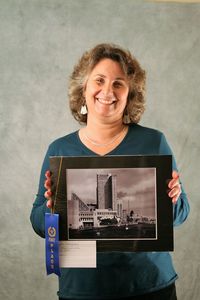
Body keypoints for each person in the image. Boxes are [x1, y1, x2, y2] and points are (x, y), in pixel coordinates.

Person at [30, 43, 190, 300]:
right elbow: (38, 221)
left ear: (129, 95)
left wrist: (172, 200)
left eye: (118, 83)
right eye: (100, 80)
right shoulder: (59, 149)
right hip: (83, 288)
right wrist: (51, 212)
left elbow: (180, 215)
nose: (108, 91)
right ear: (84, 89)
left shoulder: (153, 142)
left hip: (149, 286)